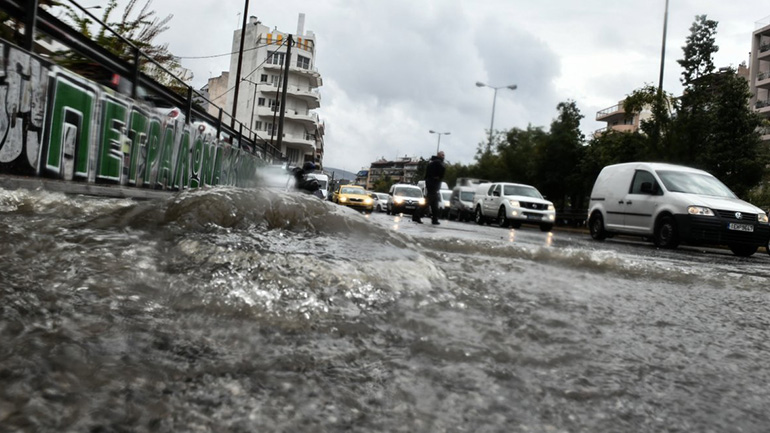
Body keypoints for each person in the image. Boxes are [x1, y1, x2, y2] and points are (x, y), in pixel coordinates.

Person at [413, 151, 446, 225]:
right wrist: (438, 177)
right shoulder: (438, 163)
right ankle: (416, 215)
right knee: (428, 201)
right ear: (438, 155)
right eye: (442, 155)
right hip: (433, 184)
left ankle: (434, 219)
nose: (443, 156)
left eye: (444, 155)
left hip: (431, 183)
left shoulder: (432, 162)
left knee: (435, 203)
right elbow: (442, 171)